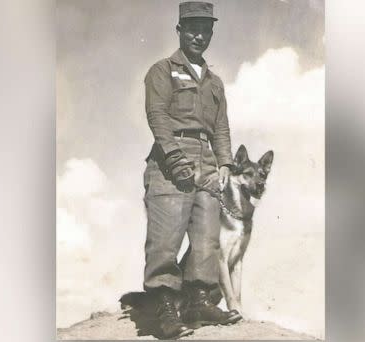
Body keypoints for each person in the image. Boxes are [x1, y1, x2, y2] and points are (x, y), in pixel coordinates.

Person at [142, 1, 241, 339]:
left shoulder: (215, 83)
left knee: (206, 238)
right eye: (192, 28)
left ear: (211, 33)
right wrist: (175, 159)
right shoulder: (162, 70)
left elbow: (222, 126)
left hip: (208, 162)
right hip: (172, 160)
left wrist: (225, 161)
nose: (199, 35)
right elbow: (157, 116)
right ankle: (166, 309)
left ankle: (199, 300)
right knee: (166, 238)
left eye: (205, 29)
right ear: (179, 31)